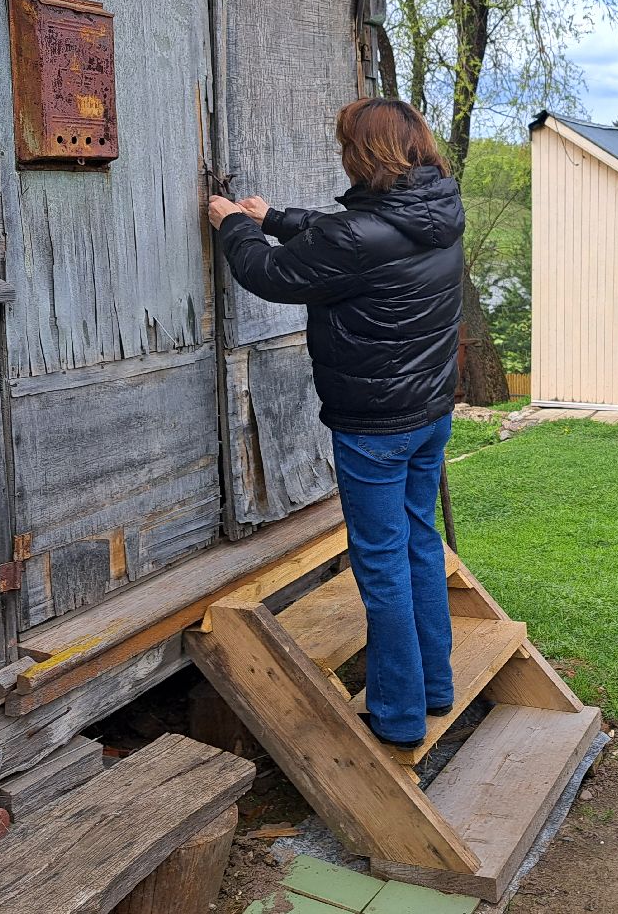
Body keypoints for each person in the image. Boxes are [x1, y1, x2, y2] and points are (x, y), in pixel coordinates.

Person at [207, 98, 464, 751]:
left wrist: (233, 224)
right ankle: (434, 686)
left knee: (381, 562)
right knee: (419, 541)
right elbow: (352, 234)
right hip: (429, 414)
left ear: (364, 153)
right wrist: (275, 217)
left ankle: (398, 716)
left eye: (347, 143)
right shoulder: (438, 210)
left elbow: (269, 272)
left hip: (375, 427)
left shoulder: (357, 236)